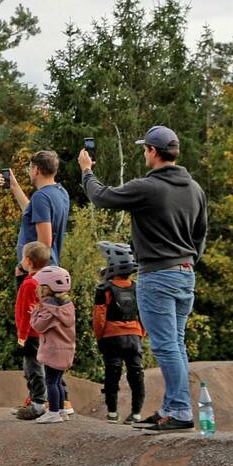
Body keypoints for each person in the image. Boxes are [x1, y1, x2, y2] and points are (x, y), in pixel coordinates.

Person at [80, 126, 207, 432]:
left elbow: (101, 197)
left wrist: (86, 172)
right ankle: (170, 408)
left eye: (145, 149)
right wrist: (185, 261)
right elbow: (200, 235)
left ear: (152, 151)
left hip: (158, 275)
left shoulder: (149, 187)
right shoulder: (195, 189)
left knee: (166, 346)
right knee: (176, 343)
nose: (144, 153)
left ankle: (178, 411)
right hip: (184, 273)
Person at [93, 242, 146, 424]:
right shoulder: (137, 287)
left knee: (112, 373)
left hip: (111, 336)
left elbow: (99, 317)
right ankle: (136, 414)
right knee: (136, 374)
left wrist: (99, 337)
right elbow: (143, 312)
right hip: (134, 336)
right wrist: (141, 334)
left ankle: (113, 414)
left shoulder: (104, 289)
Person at [7, 151, 71, 283]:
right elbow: (33, 213)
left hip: (37, 274)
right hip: (48, 270)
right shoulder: (60, 192)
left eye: (30, 168)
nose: (29, 171)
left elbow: (45, 243)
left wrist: (22, 266)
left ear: (36, 170)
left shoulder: (41, 197)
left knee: (30, 304)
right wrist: (14, 186)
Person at [29, 266, 77, 425]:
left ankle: (54, 412)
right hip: (66, 349)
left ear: (47, 288)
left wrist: (35, 312)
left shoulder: (49, 308)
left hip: (53, 351)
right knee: (57, 381)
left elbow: (38, 326)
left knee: (50, 382)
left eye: (39, 286)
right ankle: (62, 411)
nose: (37, 290)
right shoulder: (67, 306)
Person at [14, 241, 51, 420]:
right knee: (29, 368)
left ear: (28, 261)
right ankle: (35, 400)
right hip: (39, 332)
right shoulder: (42, 280)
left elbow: (27, 312)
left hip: (31, 333)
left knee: (33, 368)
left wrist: (22, 337)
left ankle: (38, 404)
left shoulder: (30, 284)